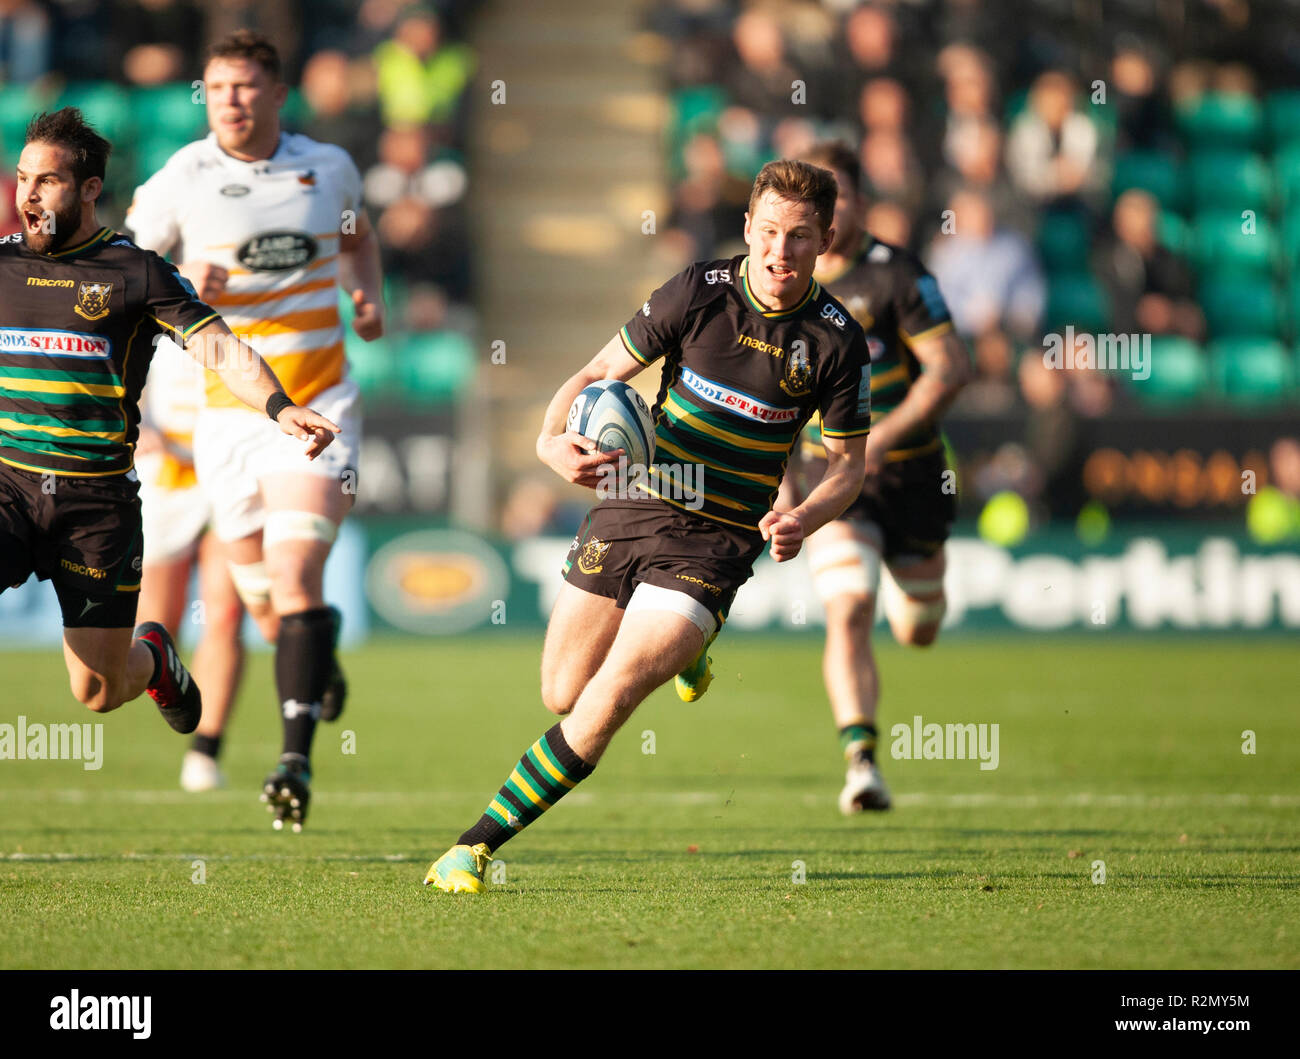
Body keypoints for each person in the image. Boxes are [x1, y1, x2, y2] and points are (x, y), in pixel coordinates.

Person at [423, 159, 871, 893]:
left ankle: (473, 846)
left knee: (613, 692)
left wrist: (804, 516)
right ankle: (688, 655)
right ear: (749, 228)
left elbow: (848, 469)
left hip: (719, 538)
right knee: (563, 691)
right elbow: (600, 370)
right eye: (766, 232)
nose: (778, 252)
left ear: (824, 238)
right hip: (635, 501)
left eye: (797, 238)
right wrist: (547, 438)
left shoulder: (836, 341)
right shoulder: (699, 289)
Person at [0, 107, 338, 739]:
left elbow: (222, 350)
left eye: (46, 182)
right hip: (10, 484)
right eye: (23, 179)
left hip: (98, 503)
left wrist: (280, 405)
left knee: (97, 692)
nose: (28, 196)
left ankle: (155, 658)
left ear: (91, 189)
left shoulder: (137, 272)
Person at [125, 30, 385, 831]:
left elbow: (357, 236)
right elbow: (124, 273)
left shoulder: (327, 168)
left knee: (297, 574)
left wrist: (365, 295)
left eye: (244, 86)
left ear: (277, 95)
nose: (230, 100)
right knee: (271, 609)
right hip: (224, 421)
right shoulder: (183, 177)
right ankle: (316, 651)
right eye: (217, 87)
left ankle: (293, 760)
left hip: (316, 408)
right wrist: (173, 285)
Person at [792, 142, 971, 814]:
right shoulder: (781, 284)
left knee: (918, 627)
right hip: (829, 473)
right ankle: (861, 761)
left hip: (912, 474)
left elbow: (948, 371)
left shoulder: (897, 274)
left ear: (859, 201)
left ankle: (913, 594)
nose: (821, 214)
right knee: (849, 608)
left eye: (832, 198)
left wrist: (871, 445)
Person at [133, 340, 246, 791]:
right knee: (157, 627)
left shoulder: (243, 307)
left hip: (229, 474)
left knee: (222, 615)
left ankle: (206, 748)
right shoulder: (155, 297)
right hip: (167, 477)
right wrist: (136, 423)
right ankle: (177, 695)